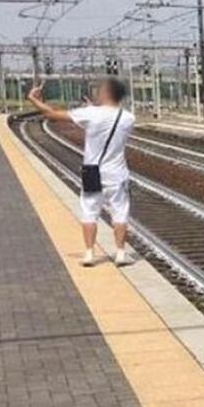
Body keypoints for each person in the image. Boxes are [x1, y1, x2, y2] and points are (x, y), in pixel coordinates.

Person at [27, 78, 136, 267]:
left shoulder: (90, 114)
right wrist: (94, 108)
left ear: (105, 93)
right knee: (120, 212)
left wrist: (33, 99)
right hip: (116, 174)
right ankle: (120, 253)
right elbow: (107, 121)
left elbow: (51, 114)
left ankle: (89, 254)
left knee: (89, 211)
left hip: (92, 171)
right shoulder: (128, 118)